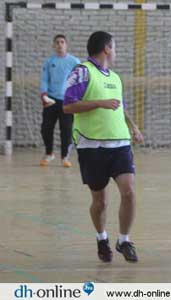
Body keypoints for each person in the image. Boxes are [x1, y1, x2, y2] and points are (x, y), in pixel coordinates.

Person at [63, 31, 144, 263]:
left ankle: (124, 240)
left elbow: (117, 106)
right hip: (92, 146)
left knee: (129, 192)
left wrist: (132, 125)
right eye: (114, 47)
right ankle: (101, 238)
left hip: (119, 144)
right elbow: (68, 106)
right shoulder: (82, 71)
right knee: (101, 201)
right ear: (107, 48)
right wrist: (99, 103)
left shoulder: (115, 78)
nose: (116, 52)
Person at [40, 34, 80, 167]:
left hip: (67, 101)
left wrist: (77, 96)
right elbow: (45, 80)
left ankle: (65, 157)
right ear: (53, 45)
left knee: (66, 130)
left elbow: (81, 80)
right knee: (46, 128)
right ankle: (49, 153)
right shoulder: (49, 62)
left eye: (62, 42)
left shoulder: (74, 61)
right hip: (51, 100)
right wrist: (44, 95)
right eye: (57, 42)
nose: (59, 44)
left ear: (66, 45)